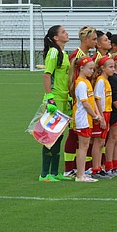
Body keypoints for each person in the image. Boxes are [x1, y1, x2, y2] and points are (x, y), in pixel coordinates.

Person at [62, 25, 97, 177]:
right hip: (76, 99)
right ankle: (69, 168)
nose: (95, 42)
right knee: (74, 134)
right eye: (94, 39)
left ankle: (82, 167)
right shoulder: (77, 56)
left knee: (82, 137)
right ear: (85, 39)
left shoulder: (86, 55)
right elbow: (70, 77)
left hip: (84, 97)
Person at [40, 25, 72, 182]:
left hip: (64, 98)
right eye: (63, 32)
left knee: (59, 136)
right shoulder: (53, 52)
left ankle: (54, 172)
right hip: (56, 98)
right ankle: (45, 174)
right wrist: (49, 97)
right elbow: (47, 75)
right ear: (56, 38)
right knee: (50, 136)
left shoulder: (63, 53)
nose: (67, 34)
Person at [72, 56, 101, 183]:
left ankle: (82, 173)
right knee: (83, 146)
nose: (91, 71)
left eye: (93, 69)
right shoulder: (81, 83)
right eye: (89, 69)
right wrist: (95, 116)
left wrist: (96, 114)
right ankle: (80, 175)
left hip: (87, 118)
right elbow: (85, 103)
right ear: (81, 68)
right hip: (82, 118)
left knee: (85, 145)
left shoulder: (87, 82)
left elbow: (92, 101)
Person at [90, 55, 114, 179]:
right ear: (103, 68)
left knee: (101, 142)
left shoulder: (105, 81)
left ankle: (98, 167)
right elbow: (97, 99)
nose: (113, 69)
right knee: (98, 141)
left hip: (107, 112)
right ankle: (96, 168)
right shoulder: (100, 81)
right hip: (102, 113)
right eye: (110, 67)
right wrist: (101, 116)